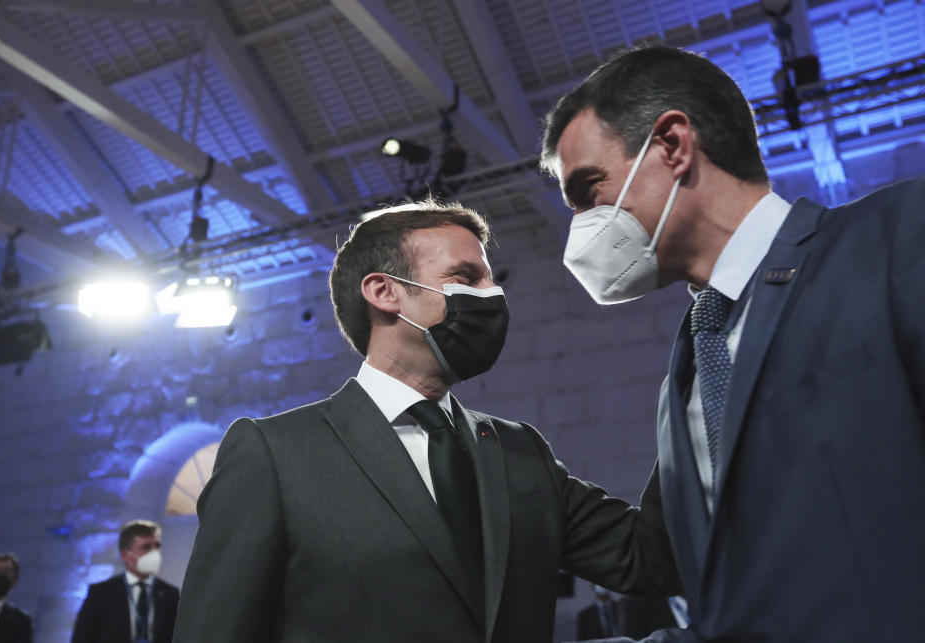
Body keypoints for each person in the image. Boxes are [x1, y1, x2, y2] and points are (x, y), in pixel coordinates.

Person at [541, 45, 925, 642]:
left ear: (672, 144)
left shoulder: (898, 236)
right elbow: (719, 597)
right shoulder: (690, 369)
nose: (585, 224)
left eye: (591, 189)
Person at [173, 200, 680, 643]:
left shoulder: (520, 451)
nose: (493, 295)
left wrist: (692, 388)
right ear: (384, 292)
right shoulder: (275, 455)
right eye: (465, 278)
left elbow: (651, 556)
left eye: (489, 279)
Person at [72, 520, 179, 643]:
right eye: (146, 547)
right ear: (125, 554)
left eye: (157, 546)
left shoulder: (171, 594)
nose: (154, 553)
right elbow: (82, 638)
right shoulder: (101, 593)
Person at [576, 585, 676, 640]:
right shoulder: (585, 615)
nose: (602, 587)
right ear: (592, 586)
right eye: (598, 584)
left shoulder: (626, 607)